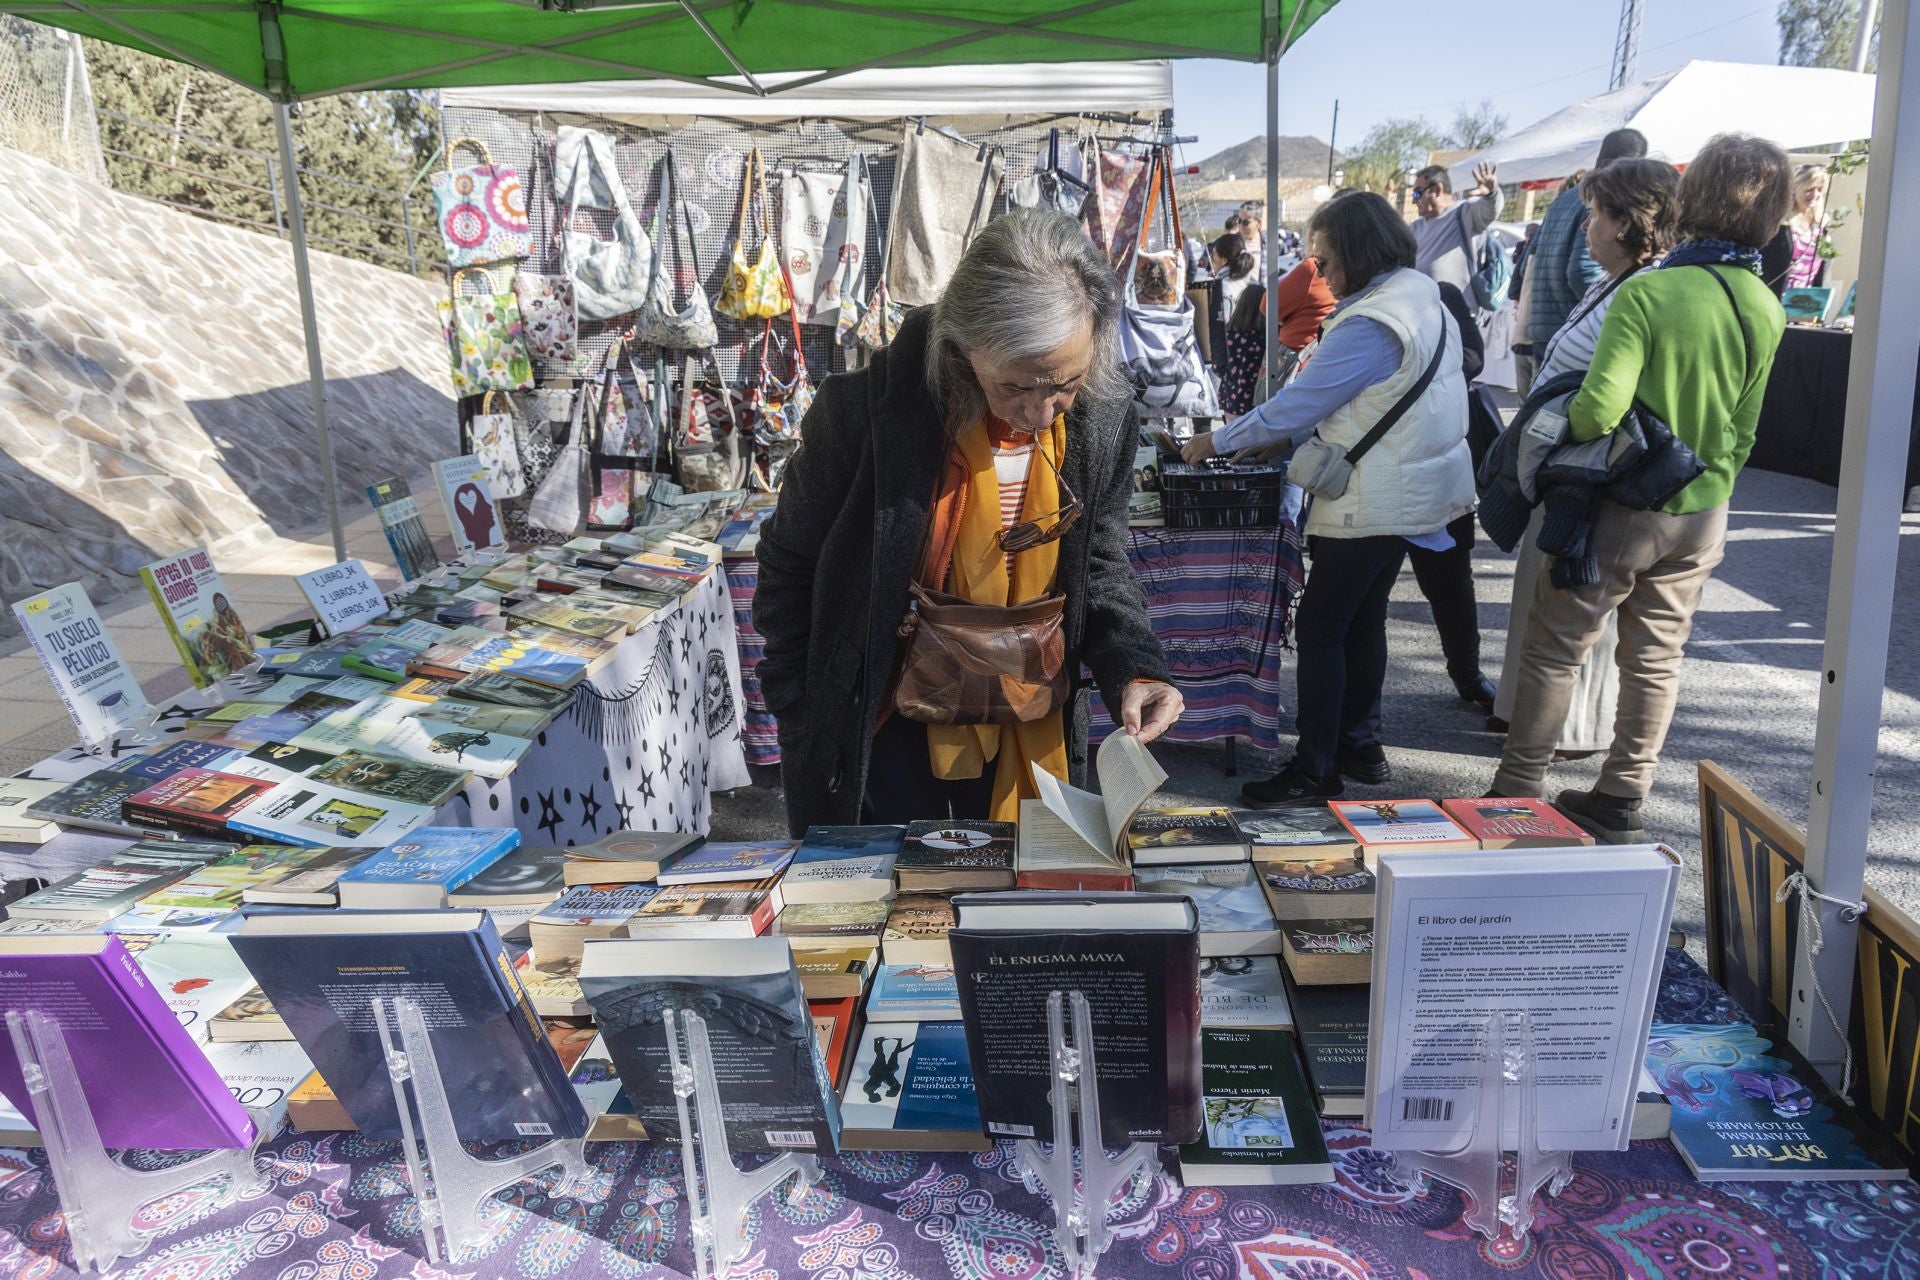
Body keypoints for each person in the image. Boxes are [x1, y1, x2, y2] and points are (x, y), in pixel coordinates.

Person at [754, 207, 1183, 835]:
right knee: (891, 904)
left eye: (1064, 383)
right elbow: (790, 563)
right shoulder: (862, 417)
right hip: (884, 723)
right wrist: (801, 707)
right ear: (962, 347)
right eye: (1015, 386)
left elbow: (1099, 563)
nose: (1040, 411)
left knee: (1017, 905)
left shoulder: (1100, 420)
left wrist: (1135, 666)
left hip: (1031, 715)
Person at [1488, 135, 1790, 841]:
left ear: (1696, 198)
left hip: (1623, 504)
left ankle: (1517, 789)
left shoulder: (1652, 291)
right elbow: (1746, 427)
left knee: (1556, 647)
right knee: (1657, 656)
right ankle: (1623, 789)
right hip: (1704, 507)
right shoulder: (1762, 300)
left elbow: (1596, 411)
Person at [1181, 192, 1472, 806]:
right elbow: (1355, 400)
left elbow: (1302, 401)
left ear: (1358, 251)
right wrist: (1279, 438)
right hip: (1408, 487)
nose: (1320, 271)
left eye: (1326, 257)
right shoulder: (1416, 294)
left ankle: (1316, 767)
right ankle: (1360, 746)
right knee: (1361, 620)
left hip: (1376, 494)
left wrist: (1216, 440)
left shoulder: (1372, 320)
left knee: (1321, 628)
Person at [1491, 158, 1682, 756]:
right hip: (1565, 468)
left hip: (1586, 469)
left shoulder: (1644, 289)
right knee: (1545, 604)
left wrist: (1552, 430)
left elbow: (1602, 402)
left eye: (1596, 214)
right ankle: (1528, 720)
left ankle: (1559, 738)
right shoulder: (1614, 282)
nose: (1585, 226)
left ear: (1629, 221)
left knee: (1575, 617)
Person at [1518, 128, 1650, 395]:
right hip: (1573, 332)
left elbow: (1526, 264)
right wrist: (1597, 310)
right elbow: (1581, 270)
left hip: (1550, 328)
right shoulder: (1596, 201)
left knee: (1542, 409)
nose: (1588, 224)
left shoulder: (1562, 201)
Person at [1410, 161, 1503, 297]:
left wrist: (1491, 195)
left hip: (1459, 313)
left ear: (1437, 190)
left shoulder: (1465, 214)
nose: (1414, 201)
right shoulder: (1415, 227)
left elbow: (1489, 211)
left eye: (1417, 194)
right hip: (1424, 310)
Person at [1761, 163, 1829, 294]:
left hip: (1809, 300)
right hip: (1779, 296)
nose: (1815, 194)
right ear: (1794, 188)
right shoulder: (1780, 223)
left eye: (1819, 189)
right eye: (1809, 189)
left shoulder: (1822, 223)